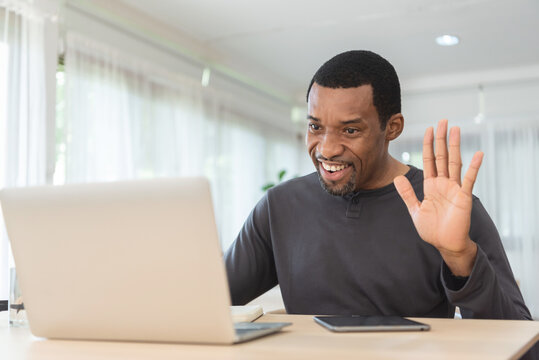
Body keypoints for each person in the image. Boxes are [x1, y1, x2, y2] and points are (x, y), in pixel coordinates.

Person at [225, 50, 531, 321]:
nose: (327, 149)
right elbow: (209, 302)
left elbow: (523, 347)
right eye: (315, 126)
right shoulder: (280, 206)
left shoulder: (448, 208)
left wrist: (461, 257)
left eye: (350, 129)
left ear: (392, 128)